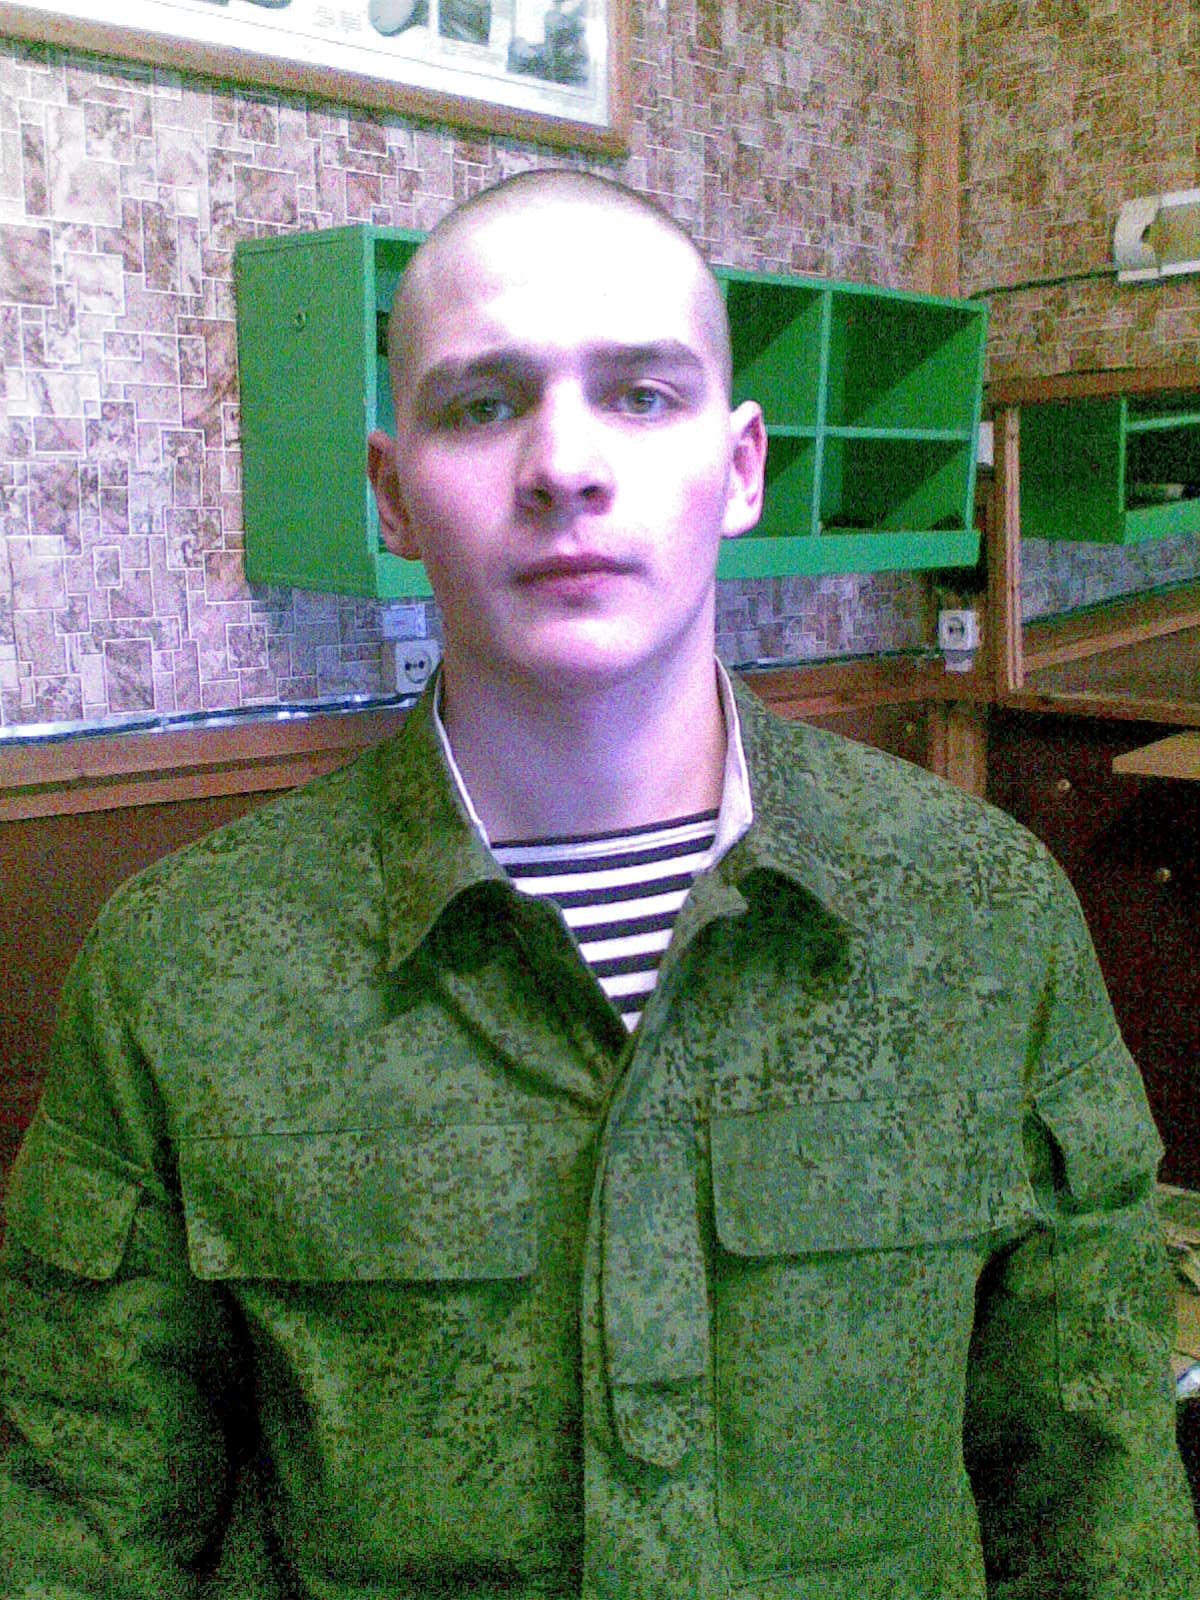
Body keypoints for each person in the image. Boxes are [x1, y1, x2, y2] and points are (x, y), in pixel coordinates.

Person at [1, 169, 1198, 1600]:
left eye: (640, 395)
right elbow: (82, 1530)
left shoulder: (979, 913)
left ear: (741, 469)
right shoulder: (188, 965)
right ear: (391, 493)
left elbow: (1097, 1498)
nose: (563, 464)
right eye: (481, 405)